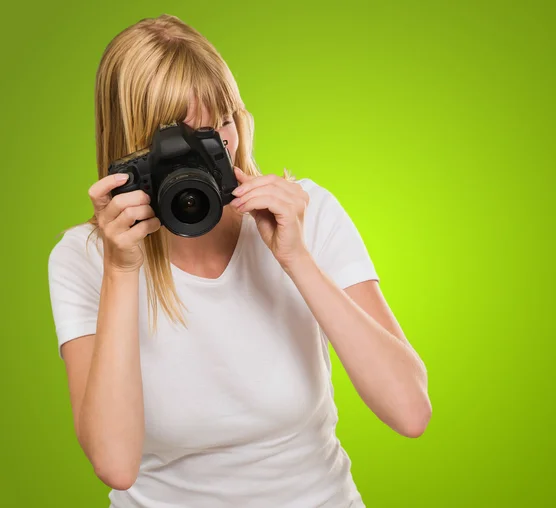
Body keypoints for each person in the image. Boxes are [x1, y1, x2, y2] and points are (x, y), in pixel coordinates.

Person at [47, 14, 431, 508]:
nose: (214, 152)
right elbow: (117, 466)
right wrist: (122, 270)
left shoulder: (303, 212)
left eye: (221, 123)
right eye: (182, 139)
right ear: (134, 151)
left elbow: (410, 412)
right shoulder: (83, 260)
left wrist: (296, 259)